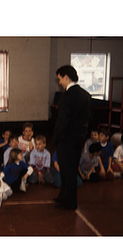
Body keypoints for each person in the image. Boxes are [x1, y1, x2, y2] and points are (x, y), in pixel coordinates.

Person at [52, 65, 91, 210]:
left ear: (66, 77)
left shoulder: (66, 97)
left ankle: (70, 203)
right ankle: (63, 197)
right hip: (78, 140)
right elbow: (87, 120)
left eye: (60, 79)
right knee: (70, 171)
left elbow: (62, 122)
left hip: (66, 141)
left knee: (67, 172)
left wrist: (57, 140)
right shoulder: (86, 95)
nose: (60, 82)